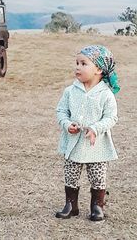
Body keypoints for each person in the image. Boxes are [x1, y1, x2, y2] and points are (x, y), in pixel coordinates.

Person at [55, 45, 120, 222]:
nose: (77, 67)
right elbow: (61, 111)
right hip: (73, 143)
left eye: (83, 63)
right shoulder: (70, 91)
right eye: (76, 63)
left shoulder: (106, 94)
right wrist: (67, 124)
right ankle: (71, 205)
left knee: (98, 176)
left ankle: (97, 206)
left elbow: (112, 117)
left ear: (99, 69)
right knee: (71, 174)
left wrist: (95, 128)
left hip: (96, 145)